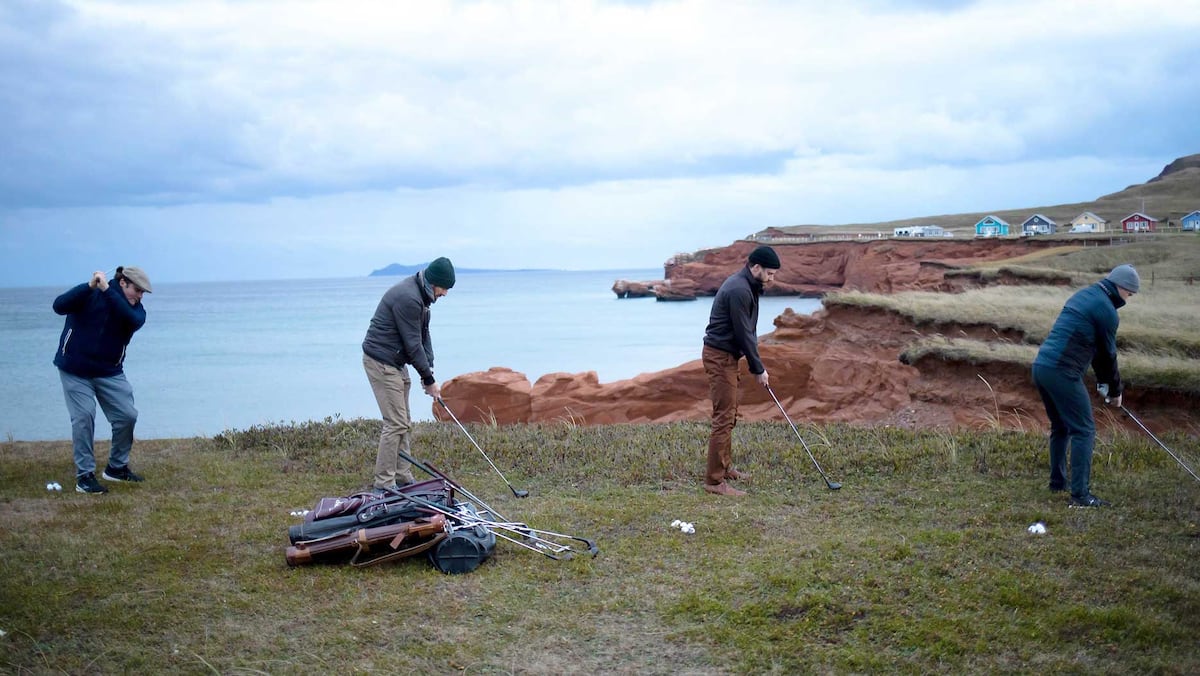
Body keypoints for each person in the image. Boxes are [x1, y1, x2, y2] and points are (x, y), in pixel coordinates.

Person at [1032, 263, 1140, 508]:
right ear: (1121, 287)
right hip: (1062, 372)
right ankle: (1080, 496)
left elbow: (1097, 354)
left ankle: (1058, 483)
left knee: (1061, 426)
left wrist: (1105, 384)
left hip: (1042, 366)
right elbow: (1108, 356)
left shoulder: (1085, 295)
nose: (1129, 298)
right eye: (1129, 294)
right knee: (1084, 430)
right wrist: (1115, 391)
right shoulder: (1106, 311)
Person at [52, 266, 152, 494]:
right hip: (74, 368)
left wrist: (108, 291)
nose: (140, 296)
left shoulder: (136, 311)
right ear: (123, 282)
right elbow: (59, 306)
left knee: (127, 416)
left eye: (143, 293)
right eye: (138, 290)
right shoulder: (90, 294)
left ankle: (116, 468)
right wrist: (89, 286)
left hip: (109, 371)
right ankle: (84, 476)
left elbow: (128, 318)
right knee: (84, 416)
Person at [362, 257, 455, 492]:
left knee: (404, 422)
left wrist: (429, 369)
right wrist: (428, 381)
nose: (445, 294)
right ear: (434, 283)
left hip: (396, 361)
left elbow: (424, 337)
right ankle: (384, 483)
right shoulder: (409, 298)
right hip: (381, 361)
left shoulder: (422, 300)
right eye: (444, 289)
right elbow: (413, 345)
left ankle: (403, 476)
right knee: (395, 423)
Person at [701, 245, 782, 496]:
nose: (772, 278)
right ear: (755, 267)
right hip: (720, 357)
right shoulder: (739, 289)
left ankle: (724, 468)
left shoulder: (749, 286)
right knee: (723, 418)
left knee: (730, 414)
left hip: (728, 356)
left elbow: (748, 330)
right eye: (769, 273)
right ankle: (714, 482)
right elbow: (743, 333)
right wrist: (758, 369)